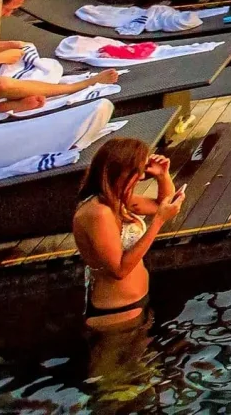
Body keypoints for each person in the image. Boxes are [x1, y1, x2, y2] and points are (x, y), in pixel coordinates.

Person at [72, 136, 182, 328]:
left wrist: (162, 176)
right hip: (117, 311)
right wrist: (158, 222)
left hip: (137, 302)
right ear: (121, 172)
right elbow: (119, 270)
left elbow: (162, 205)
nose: (141, 177)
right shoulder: (98, 212)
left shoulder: (116, 200)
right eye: (137, 172)